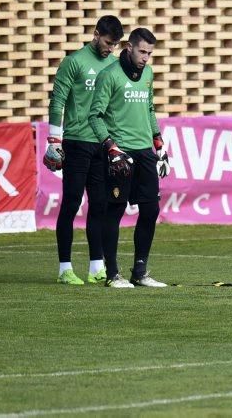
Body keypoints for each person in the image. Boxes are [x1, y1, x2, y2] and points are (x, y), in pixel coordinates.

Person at [88, 28, 170, 288]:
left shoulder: (148, 73)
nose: (146, 58)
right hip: (120, 152)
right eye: (142, 51)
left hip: (145, 151)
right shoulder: (108, 75)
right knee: (115, 210)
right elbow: (95, 116)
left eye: (150, 53)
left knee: (151, 209)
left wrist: (158, 141)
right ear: (129, 47)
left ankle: (140, 272)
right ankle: (112, 274)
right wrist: (110, 146)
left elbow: (149, 108)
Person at [45, 15, 124, 285]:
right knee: (71, 202)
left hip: (103, 143)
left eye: (114, 45)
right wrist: (54, 140)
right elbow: (58, 102)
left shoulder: (115, 65)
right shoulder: (74, 62)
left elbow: (116, 107)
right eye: (107, 42)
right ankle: (65, 268)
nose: (110, 48)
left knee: (100, 204)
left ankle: (95, 267)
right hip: (77, 142)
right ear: (95, 34)